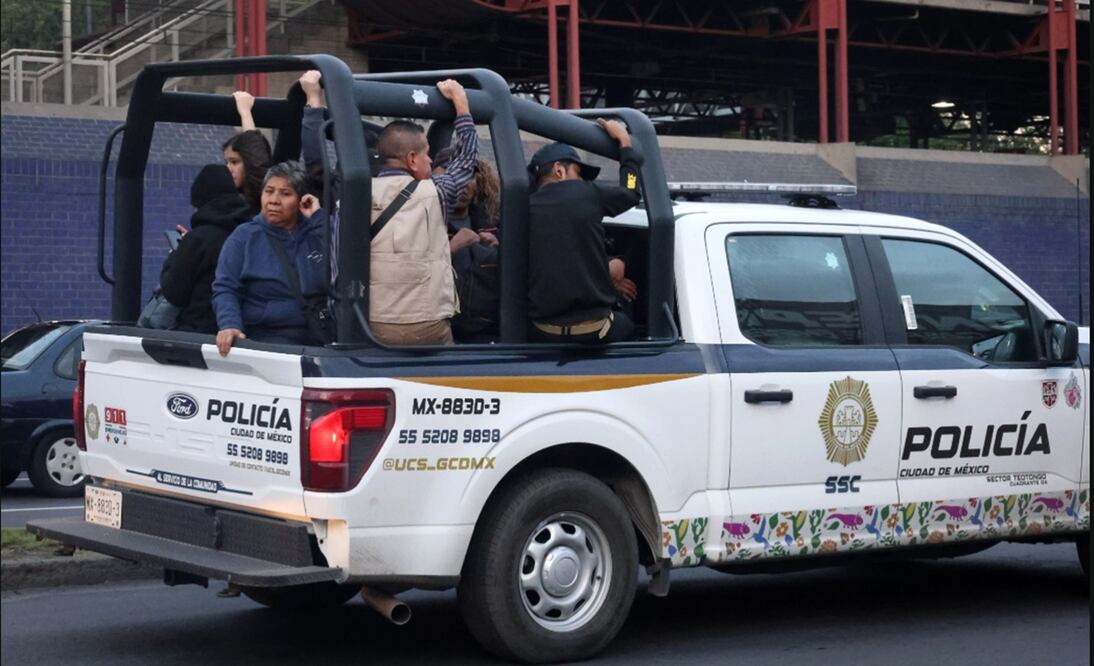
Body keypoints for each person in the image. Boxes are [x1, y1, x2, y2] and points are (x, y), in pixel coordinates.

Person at [298, 70, 477, 346]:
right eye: (427, 154)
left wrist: (313, 99)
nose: (431, 161)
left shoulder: (349, 195)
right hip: (427, 325)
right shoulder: (437, 193)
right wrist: (462, 105)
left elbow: (315, 164)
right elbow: (465, 162)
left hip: (370, 325)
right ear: (412, 159)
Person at [526, 118, 642, 344]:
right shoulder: (586, 192)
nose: (579, 180)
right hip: (593, 330)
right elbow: (630, 191)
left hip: (541, 331)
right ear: (559, 170)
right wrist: (625, 144)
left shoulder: (521, 208)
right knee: (632, 324)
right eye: (578, 173)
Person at [212, 162, 329, 356]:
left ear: (302, 200)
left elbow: (344, 257)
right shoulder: (244, 237)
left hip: (320, 339)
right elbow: (225, 288)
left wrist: (318, 218)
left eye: (285, 193)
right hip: (266, 342)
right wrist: (229, 325)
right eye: (269, 191)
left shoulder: (316, 231)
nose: (274, 200)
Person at [158, 164, 252, 334]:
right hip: (243, 330)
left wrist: (176, 256)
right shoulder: (250, 232)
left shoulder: (198, 240)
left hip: (199, 332)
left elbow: (174, 293)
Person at [449, 159, 502, 342]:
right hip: (439, 328)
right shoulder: (426, 221)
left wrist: (499, 246)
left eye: (468, 177)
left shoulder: (493, 223)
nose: (462, 185)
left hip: (484, 332)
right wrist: (450, 249)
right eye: (454, 176)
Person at [222, 91, 273, 214]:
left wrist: (245, 113)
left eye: (234, 162)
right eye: (227, 162)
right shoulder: (228, 200)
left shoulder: (261, 197)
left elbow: (256, 164)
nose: (228, 168)